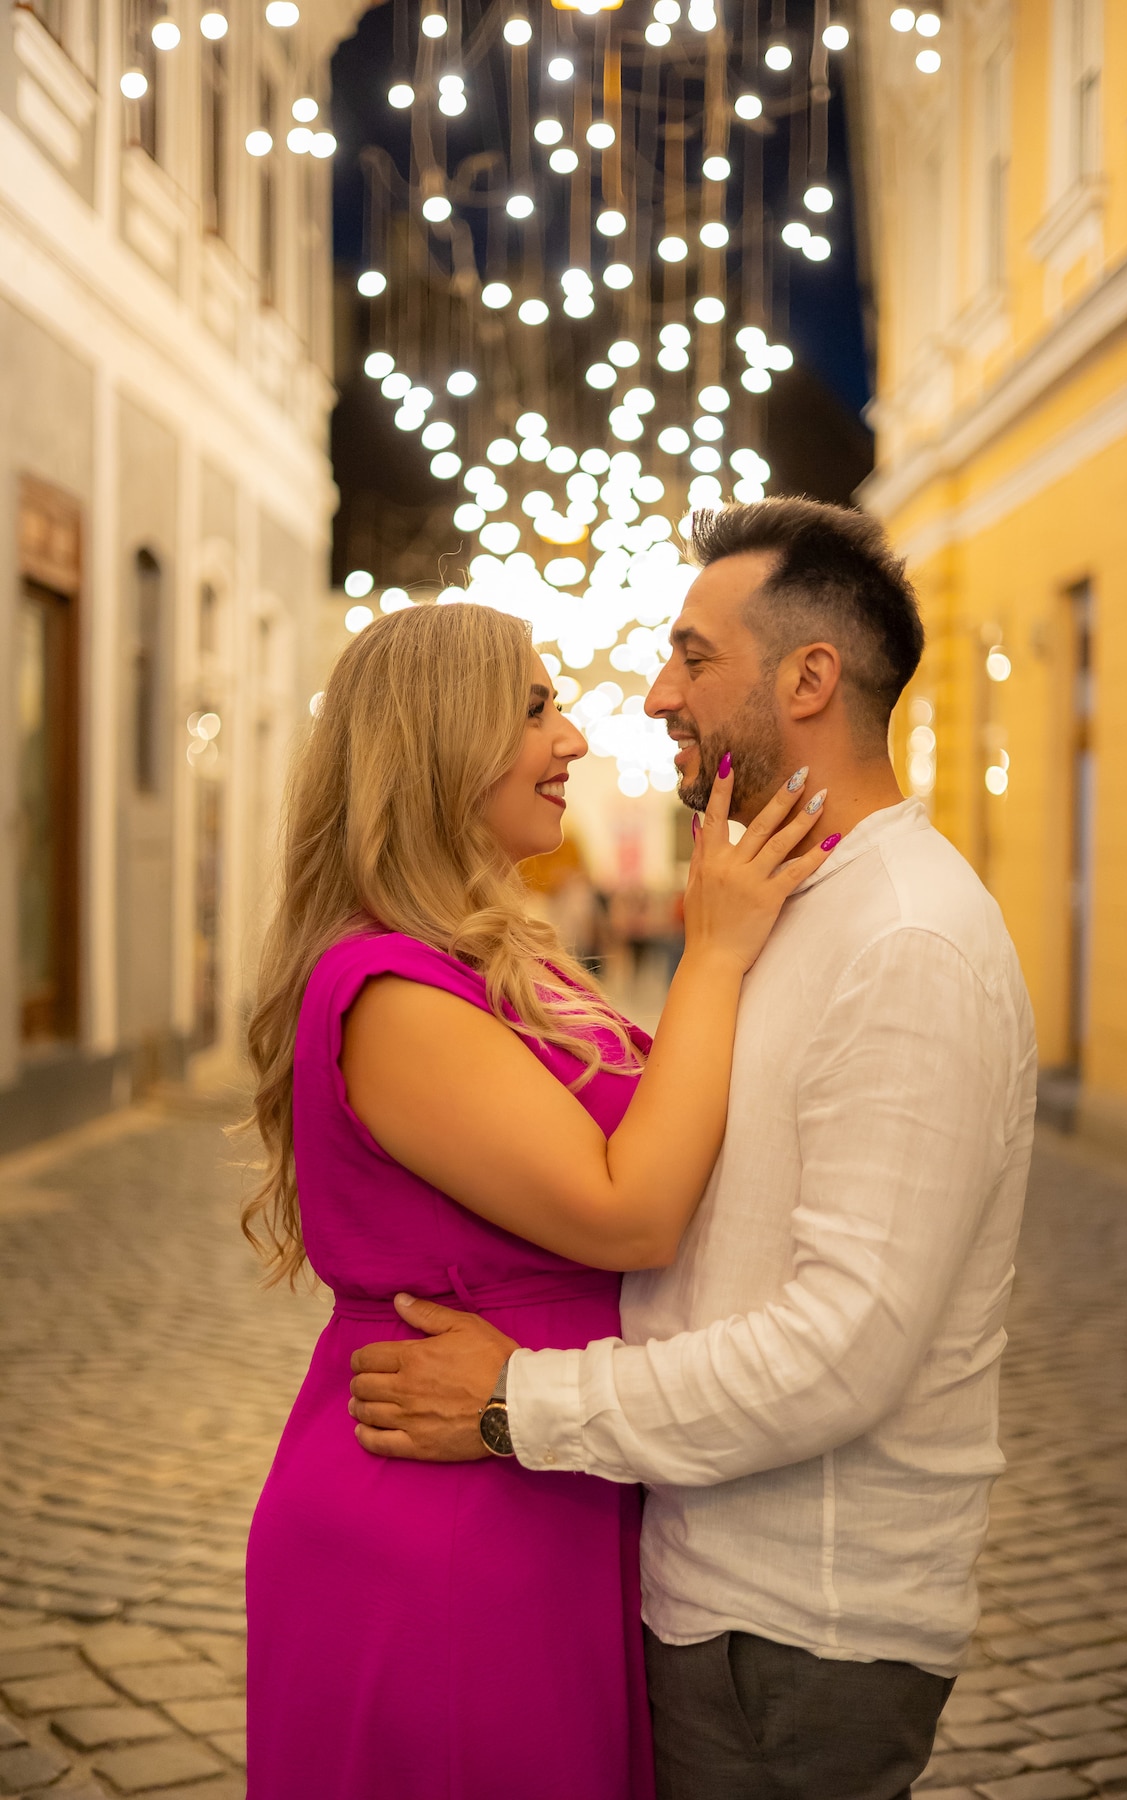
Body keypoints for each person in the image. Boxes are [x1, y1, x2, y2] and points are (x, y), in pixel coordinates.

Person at [348, 498, 1039, 1800]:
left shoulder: (910, 940)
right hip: (707, 1582)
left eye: (692, 656)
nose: (656, 692)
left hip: (800, 1623)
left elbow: (844, 1349)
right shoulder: (786, 907)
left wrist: (519, 1404)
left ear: (811, 677)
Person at [240, 597, 835, 1800]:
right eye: (533, 706)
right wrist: (711, 950)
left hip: (533, 1480)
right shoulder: (388, 993)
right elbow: (632, 1214)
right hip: (441, 1523)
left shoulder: (481, 962)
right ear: (437, 742)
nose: (571, 740)